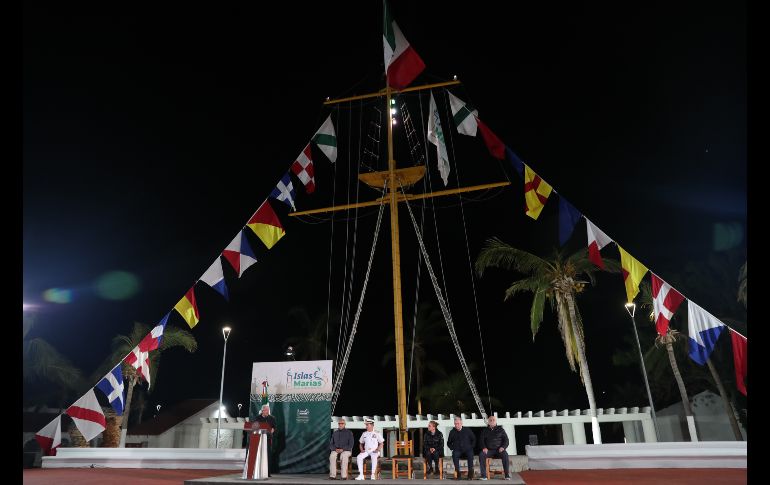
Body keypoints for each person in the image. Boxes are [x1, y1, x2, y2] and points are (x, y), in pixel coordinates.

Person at [478, 415, 511, 481]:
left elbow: (506, 440)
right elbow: (481, 441)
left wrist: (503, 447)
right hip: (489, 451)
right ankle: (484, 476)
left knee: (505, 454)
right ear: (488, 422)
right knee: (481, 454)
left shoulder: (501, 430)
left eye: (493, 420)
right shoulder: (485, 430)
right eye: (490, 420)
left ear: (496, 421)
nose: (492, 421)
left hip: (499, 450)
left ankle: (507, 475)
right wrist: (484, 447)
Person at [447, 416, 476, 480]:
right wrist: (452, 448)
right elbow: (448, 443)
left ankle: (470, 474)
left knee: (470, 454)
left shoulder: (467, 430)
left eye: (458, 423)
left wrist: (471, 447)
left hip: (467, 449)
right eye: (455, 424)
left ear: (461, 423)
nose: (457, 425)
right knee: (454, 454)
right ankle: (458, 474)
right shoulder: (452, 432)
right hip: (457, 450)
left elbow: (473, 439)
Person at [254, 404, 277, 476]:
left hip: (268, 439)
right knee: (259, 455)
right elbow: (254, 427)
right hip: (259, 439)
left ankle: (267, 473)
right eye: (266, 410)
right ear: (262, 411)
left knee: (268, 455)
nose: (267, 411)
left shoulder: (272, 418)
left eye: (268, 410)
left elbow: (274, 427)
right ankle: (258, 471)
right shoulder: (257, 418)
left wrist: (273, 429)